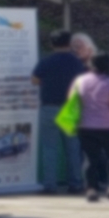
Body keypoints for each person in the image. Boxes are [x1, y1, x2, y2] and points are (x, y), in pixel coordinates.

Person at [31, 31, 86, 194]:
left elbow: (34, 80)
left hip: (49, 107)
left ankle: (50, 185)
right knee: (72, 148)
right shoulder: (76, 62)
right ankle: (75, 184)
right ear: (69, 44)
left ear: (51, 44)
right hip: (70, 107)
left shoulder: (46, 61)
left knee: (49, 148)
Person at [70, 54, 109, 202]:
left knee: (90, 159)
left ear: (90, 65)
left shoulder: (80, 81)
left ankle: (91, 189)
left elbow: (73, 103)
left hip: (86, 127)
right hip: (108, 126)